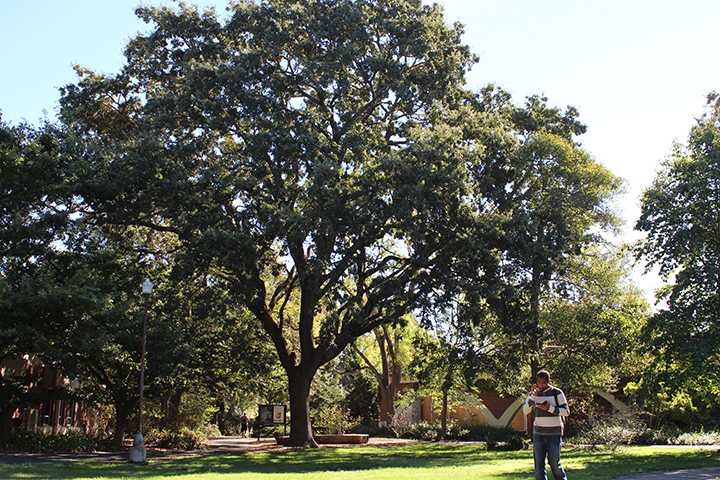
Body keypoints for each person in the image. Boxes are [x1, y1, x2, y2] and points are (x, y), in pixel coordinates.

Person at [522, 370, 570, 480]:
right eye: (539, 382)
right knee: (539, 467)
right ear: (536, 382)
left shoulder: (557, 392)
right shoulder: (533, 394)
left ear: (548, 381)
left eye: (544, 382)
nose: (542, 385)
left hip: (554, 433)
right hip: (538, 433)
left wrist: (549, 408)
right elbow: (525, 411)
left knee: (554, 464)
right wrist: (532, 397)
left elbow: (566, 412)